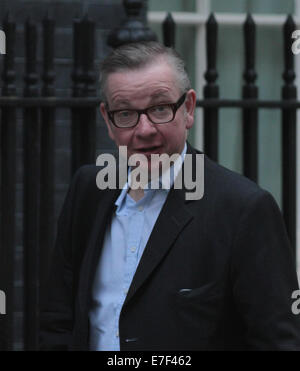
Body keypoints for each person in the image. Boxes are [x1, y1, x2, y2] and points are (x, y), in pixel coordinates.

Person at [40, 41, 300, 351]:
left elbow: (278, 341)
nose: (145, 129)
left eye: (160, 108)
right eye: (125, 113)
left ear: (188, 109)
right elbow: (57, 320)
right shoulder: (87, 191)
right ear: (108, 121)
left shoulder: (243, 209)